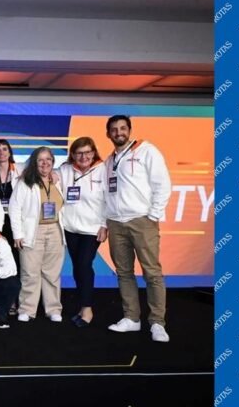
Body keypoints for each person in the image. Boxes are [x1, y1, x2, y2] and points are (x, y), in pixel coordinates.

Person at [103, 115, 172, 342]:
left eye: (123, 128)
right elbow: (106, 195)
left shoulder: (146, 151)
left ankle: (157, 323)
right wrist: (106, 221)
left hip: (142, 221)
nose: (119, 132)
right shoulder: (109, 161)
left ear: (129, 130)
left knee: (152, 272)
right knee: (124, 272)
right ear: (108, 134)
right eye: (114, 130)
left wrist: (153, 215)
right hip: (116, 223)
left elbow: (163, 184)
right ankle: (132, 318)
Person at [8, 146, 65, 323]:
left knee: (52, 273)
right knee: (30, 272)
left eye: (48, 159)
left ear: (53, 162)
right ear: (34, 162)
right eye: (40, 160)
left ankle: (53, 309)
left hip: (55, 229)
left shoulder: (58, 180)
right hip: (32, 231)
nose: (45, 163)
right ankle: (27, 309)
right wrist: (17, 234)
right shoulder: (25, 182)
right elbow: (14, 208)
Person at [59, 137, 108, 327]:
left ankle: (87, 308)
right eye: (79, 153)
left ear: (94, 152)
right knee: (77, 267)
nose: (84, 157)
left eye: (88, 152)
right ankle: (82, 305)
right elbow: (48, 176)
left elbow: (109, 200)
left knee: (84, 265)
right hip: (70, 228)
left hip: (92, 229)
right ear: (72, 155)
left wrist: (104, 225)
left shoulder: (103, 170)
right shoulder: (65, 170)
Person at [0, 139, 24, 314]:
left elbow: (42, 167)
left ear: (10, 152)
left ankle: (13, 300)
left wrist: (55, 174)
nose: (1, 153)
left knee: (15, 262)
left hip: (16, 223)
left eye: (4, 149)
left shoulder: (20, 170)